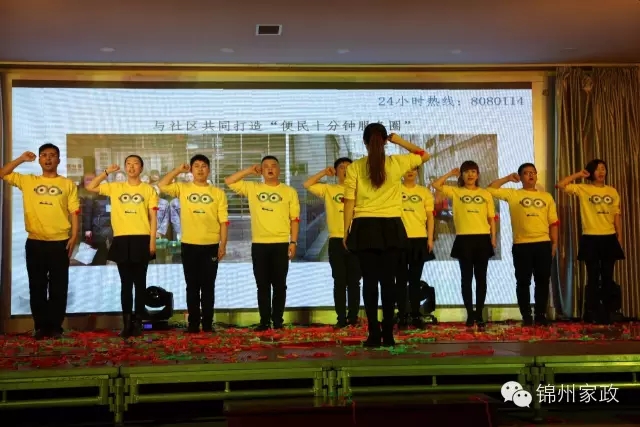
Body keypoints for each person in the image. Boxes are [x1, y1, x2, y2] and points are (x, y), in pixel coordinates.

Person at [343, 124, 431, 347]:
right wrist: (398, 140)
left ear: (364, 142)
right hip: (391, 227)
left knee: (369, 282)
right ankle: (389, 335)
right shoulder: (397, 162)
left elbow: (349, 202)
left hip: (364, 227)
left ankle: (373, 334)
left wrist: (346, 231)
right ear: (384, 141)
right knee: (389, 282)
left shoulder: (355, 167)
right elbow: (424, 155)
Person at [0, 144, 79, 339]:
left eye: (52, 155)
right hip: (35, 241)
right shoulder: (28, 181)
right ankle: (41, 327)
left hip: (60, 241)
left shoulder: (67, 184)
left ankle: (55, 327)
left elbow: (74, 211)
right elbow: (3, 173)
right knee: (37, 286)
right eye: (44, 155)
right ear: (39, 159)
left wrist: (74, 236)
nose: (48, 158)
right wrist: (21, 159)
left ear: (58, 160)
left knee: (59, 287)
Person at [86, 155, 158, 338]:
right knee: (126, 284)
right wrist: (106, 172)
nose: (132, 167)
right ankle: (126, 324)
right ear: (125, 168)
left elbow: (153, 218)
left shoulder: (148, 190)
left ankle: (138, 323)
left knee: (140, 284)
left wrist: (152, 242)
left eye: (135, 164)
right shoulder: (115, 187)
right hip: (121, 239)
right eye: (128, 164)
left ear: (141, 168)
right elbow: (90, 187)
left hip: (142, 239)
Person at [225, 156, 300, 331]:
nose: (270, 168)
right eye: (266, 166)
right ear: (261, 170)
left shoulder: (289, 191)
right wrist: (249, 170)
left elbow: (295, 219)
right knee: (262, 285)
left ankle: (278, 321)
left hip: (281, 243)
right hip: (259, 244)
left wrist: (293, 242)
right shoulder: (253, 188)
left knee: (280, 285)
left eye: (273, 165)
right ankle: (264, 321)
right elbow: (229, 181)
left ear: (279, 170)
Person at [159, 155, 228, 333]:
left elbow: (223, 222)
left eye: (204, 166)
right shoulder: (183, 188)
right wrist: (178, 170)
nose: (200, 169)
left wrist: (223, 245)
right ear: (191, 170)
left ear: (209, 170)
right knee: (192, 286)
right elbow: (162, 185)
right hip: (189, 244)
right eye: (196, 166)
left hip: (211, 245)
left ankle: (208, 324)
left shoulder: (218, 193)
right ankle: (193, 324)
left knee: (208, 287)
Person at [488, 163, 558, 326]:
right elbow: (490, 189)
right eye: (526, 173)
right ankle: (526, 315)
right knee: (523, 282)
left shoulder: (547, 196)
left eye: (533, 172)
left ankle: (540, 315)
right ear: (520, 177)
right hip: (522, 245)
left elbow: (553, 222)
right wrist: (507, 178)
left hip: (543, 243)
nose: (531, 175)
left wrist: (554, 243)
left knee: (542, 281)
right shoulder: (513, 194)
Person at [557, 159, 624, 324]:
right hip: (591, 237)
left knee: (607, 276)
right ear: (591, 172)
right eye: (598, 169)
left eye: (604, 169)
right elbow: (560, 185)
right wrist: (580, 174)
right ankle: (592, 312)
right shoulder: (583, 188)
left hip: (609, 237)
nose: (601, 172)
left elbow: (616, 215)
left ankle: (607, 312)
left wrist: (620, 237)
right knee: (593, 276)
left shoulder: (612, 191)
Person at [432, 162, 496, 328]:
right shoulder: (456, 191)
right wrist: (449, 173)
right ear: (462, 175)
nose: (470, 175)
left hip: (482, 239)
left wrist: (493, 238)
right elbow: (436, 184)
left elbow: (491, 218)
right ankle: (470, 314)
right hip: (464, 239)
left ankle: (479, 314)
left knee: (481, 279)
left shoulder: (485, 193)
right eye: (466, 172)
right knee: (466, 279)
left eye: (473, 171)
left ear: (478, 174)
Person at [304, 158, 361, 328]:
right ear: (336, 172)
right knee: (339, 281)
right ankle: (341, 318)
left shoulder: (360, 190)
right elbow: (307, 184)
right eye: (341, 167)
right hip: (336, 239)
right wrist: (324, 172)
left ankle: (353, 318)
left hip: (355, 239)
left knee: (354, 282)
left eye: (349, 167)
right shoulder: (329, 189)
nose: (345, 170)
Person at [396, 166, 435, 329]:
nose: (410, 172)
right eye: (407, 169)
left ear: (417, 172)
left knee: (414, 280)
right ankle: (402, 315)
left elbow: (430, 217)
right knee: (400, 280)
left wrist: (430, 238)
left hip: (419, 239)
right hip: (399, 240)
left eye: (413, 169)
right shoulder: (395, 190)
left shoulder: (424, 192)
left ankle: (415, 314)